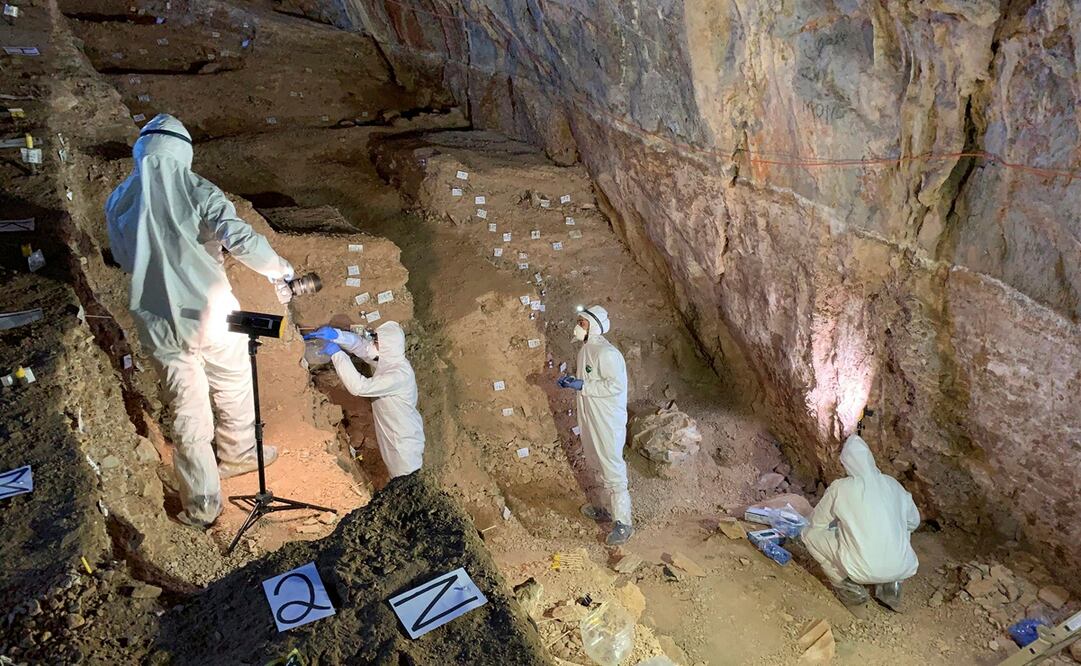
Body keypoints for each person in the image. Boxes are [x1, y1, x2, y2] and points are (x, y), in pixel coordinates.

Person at [106, 114, 295, 529]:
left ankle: (204, 502)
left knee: (185, 406)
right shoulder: (198, 190)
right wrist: (279, 268)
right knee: (233, 380)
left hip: (157, 318)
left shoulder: (119, 199)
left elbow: (121, 257)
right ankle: (240, 452)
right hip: (211, 313)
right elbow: (240, 239)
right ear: (182, 153)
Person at [802, 434, 921, 612]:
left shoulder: (841, 488)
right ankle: (891, 588)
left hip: (859, 569)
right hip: (903, 566)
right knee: (901, 529)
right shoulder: (893, 485)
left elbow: (816, 523)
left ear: (846, 463)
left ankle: (851, 591)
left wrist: (843, 529)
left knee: (809, 534)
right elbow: (914, 522)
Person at [303, 322, 425, 477]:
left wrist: (337, 354)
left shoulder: (398, 375)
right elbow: (362, 347)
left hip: (403, 441)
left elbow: (359, 387)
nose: (372, 344)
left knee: (404, 480)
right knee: (394, 474)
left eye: (376, 342)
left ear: (388, 346)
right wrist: (337, 335)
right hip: (390, 432)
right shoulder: (387, 360)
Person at [557, 305, 633, 545]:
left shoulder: (607, 353)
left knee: (611, 466)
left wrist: (583, 386)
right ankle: (604, 508)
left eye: (582, 323)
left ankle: (623, 523)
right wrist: (574, 382)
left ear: (595, 326)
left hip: (607, 420)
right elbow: (589, 379)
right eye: (578, 322)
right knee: (595, 460)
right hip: (591, 416)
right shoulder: (585, 351)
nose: (578, 327)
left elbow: (615, 386)